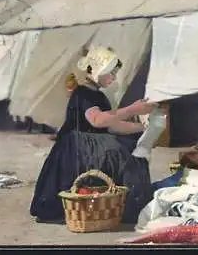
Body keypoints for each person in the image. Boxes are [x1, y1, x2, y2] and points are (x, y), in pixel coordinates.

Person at [30, 46, 159, 224]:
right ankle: (122, 205)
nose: (113, 78)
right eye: (111, 73)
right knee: (120, 153)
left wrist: (142, 128)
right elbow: (97, 120)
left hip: (90, 143)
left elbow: (112, 126)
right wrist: (132, 109)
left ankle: (120, 204)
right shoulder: (83, 93)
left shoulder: (99, 96)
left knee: (130, 146)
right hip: (77, 146)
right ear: (100, 69)